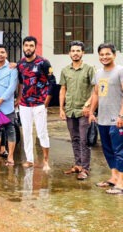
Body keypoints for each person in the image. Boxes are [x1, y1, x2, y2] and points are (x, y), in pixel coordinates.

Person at [17, 36, 56, 170]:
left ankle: (46, 161)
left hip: (40, 103)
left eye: (31, 45)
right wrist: (18, 98)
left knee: (42, 132)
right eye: (26, 45)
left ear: (35, 47)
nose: (28, 48)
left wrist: (47, 101)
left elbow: (52, 82)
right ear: (23, 47)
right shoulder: (20, 64)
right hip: (24, 105)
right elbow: (21, 82)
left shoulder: (43, 62)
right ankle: (30, 160)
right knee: (26, 132)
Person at [89, 43, 123, 194]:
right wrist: (91, 112)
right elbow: (95, 94)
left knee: (119, 151)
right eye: (101, 54)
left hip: (117, 120)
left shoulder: (120, 71)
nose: (104, 57)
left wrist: (121, 115)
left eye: (108, 54)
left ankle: (121, 183)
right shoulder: (98, 73)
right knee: (108, 150)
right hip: (102, 118)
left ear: (114, 55)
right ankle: (114, 177)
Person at [59, 41, 94, 180]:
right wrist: (61, 108)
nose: (75, 53)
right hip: (70, 110)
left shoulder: (89, 69)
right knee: (74, 139)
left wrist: (88, 105)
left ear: (83, 53)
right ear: (69, 53)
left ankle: (85, 168)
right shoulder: (65, 70)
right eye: (73, 51)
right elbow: (63, 89)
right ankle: (78, 165)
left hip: (83, 111)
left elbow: (95, 89)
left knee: (84, 140)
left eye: (78, 51)